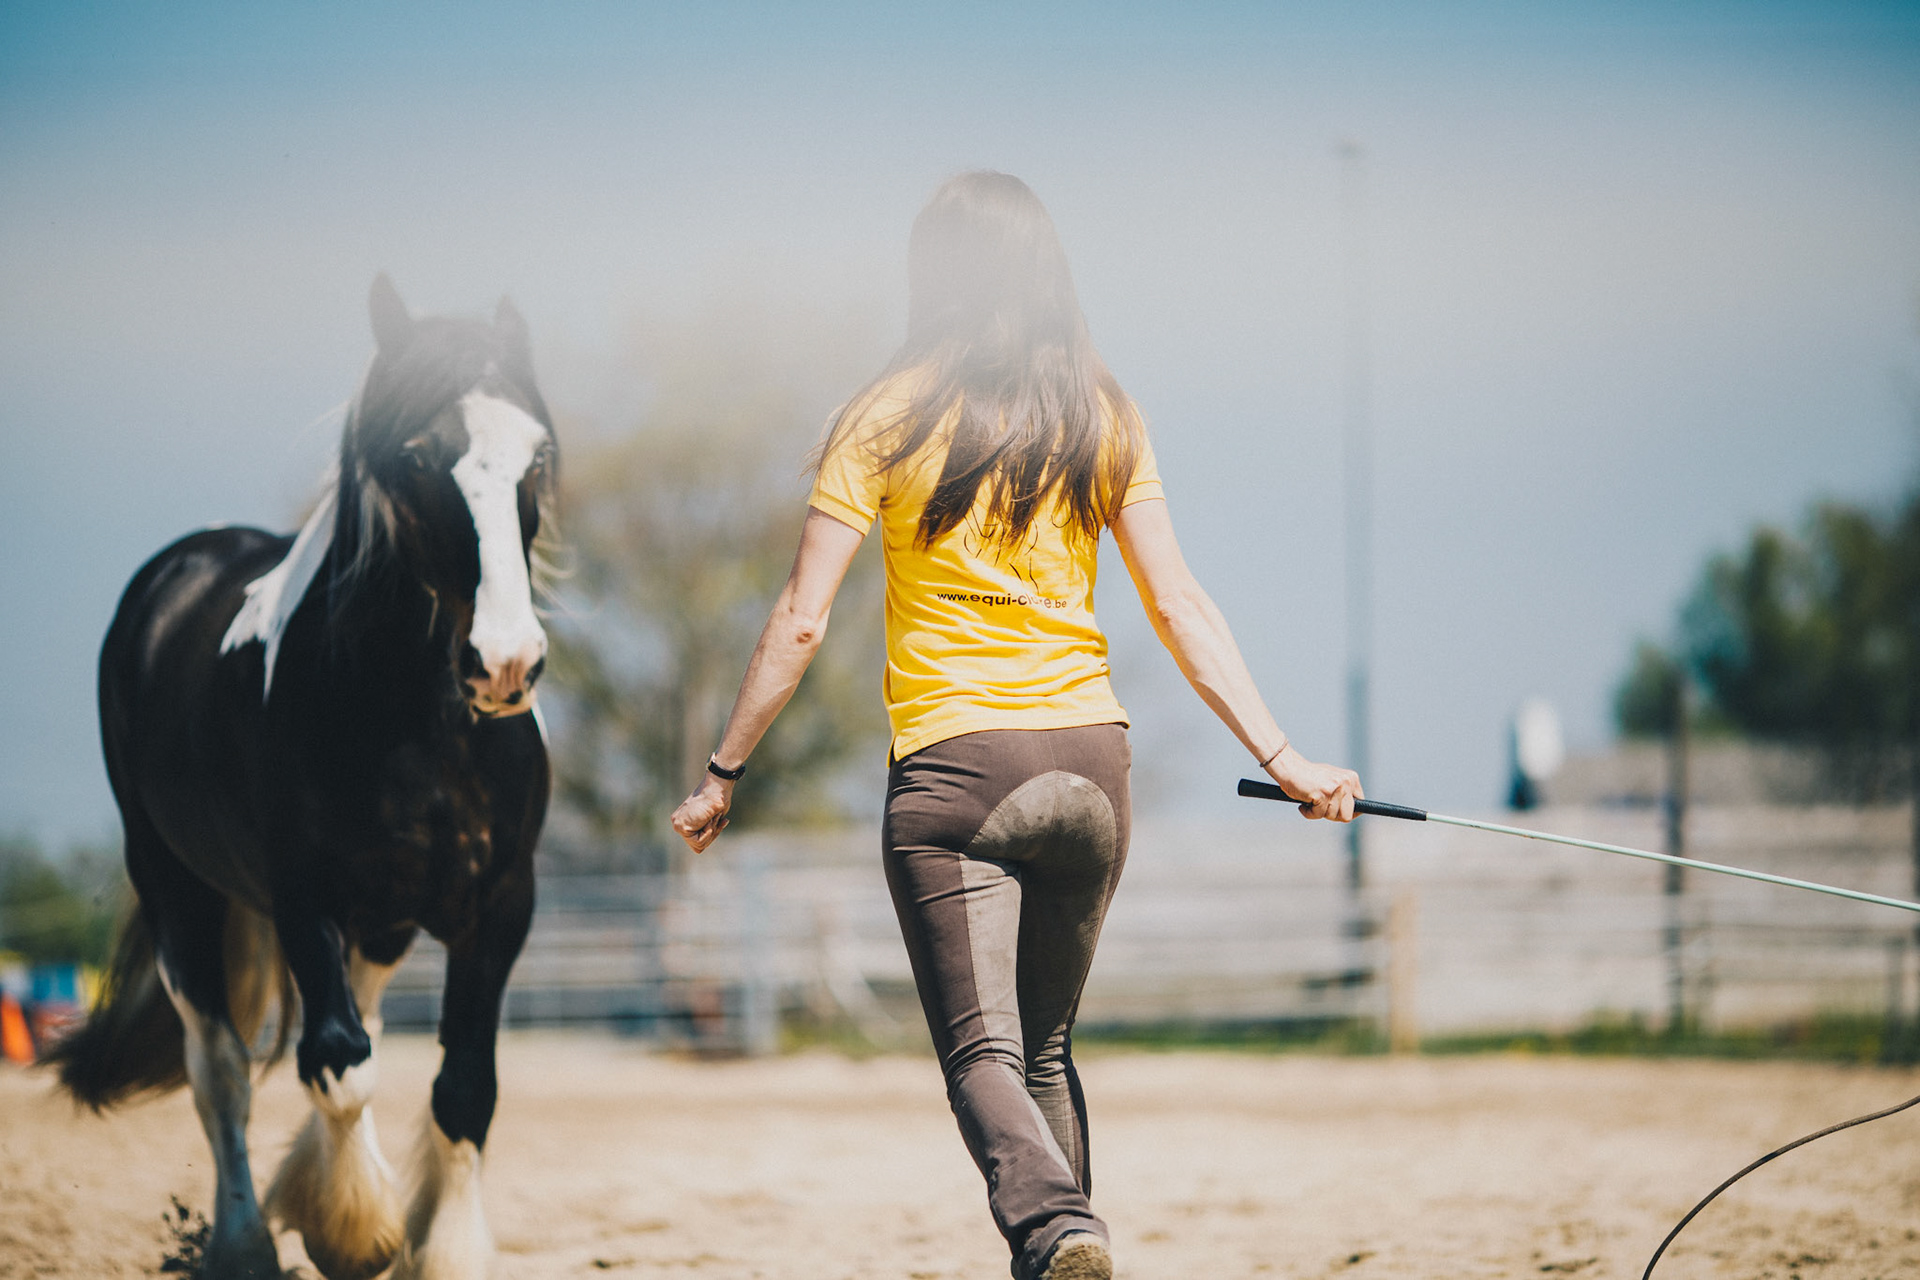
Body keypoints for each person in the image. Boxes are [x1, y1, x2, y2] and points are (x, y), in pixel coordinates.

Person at [670, 170, 1361, 1280]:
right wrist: (1286, 758)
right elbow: (1180, 606)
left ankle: (1056, 1232)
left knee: (981, 1051)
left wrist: (722, 772)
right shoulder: (1102, 410)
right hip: (1094, 770)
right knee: (1043, 1047)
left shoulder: (884, 414)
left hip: (956, 774)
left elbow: (800, 621)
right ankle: (1067, 1246)